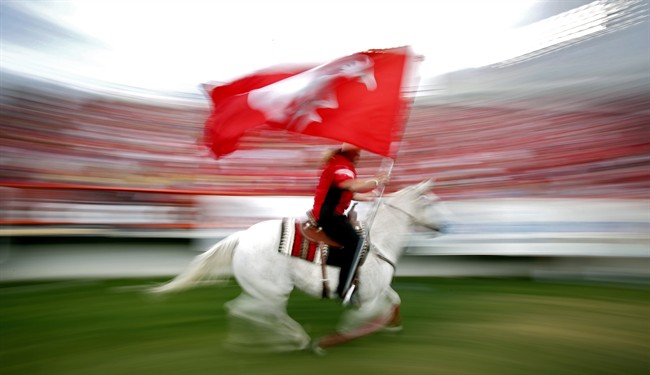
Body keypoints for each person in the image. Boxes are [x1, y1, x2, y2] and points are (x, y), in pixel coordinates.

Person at [311, 142, 387, 301]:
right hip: (329, 215)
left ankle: (338, 267)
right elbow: (350, 185)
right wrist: (375, 181)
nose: (359, 157)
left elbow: (347, 192)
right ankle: (343, 289)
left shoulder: (339, 165)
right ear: (350, 154)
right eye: (357, 154)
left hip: (330, 213)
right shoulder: (342, 166)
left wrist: (368, 196)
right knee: (356, 242)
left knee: (353, 238)